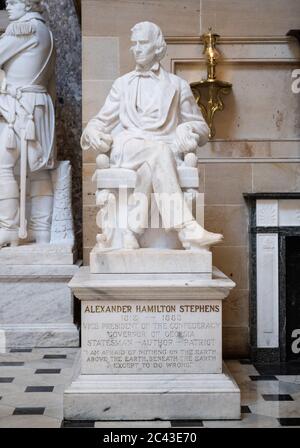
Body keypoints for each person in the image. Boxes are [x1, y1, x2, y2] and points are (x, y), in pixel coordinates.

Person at [81, 21, 222, 250]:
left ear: (158, 48)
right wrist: (92, 131)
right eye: (134, 44)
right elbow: (100, 121)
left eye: (142, 43)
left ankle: (130, 231)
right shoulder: (122, 84)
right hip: (128, 147)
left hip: (160, 152)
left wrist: (188, 129)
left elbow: (203, 129)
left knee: (153, 161)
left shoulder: (177, 86)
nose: (136, 48)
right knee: (159, 152)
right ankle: (186, 228)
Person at [0, 0, 55, 248]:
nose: (8, 6)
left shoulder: (23, 29)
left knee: (3, 165)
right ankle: (42, 232)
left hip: (21, 107)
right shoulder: (46, 31)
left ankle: (9, 228)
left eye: (14, 2)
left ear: (29, 4)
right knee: (39, 170)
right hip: (39, 105)